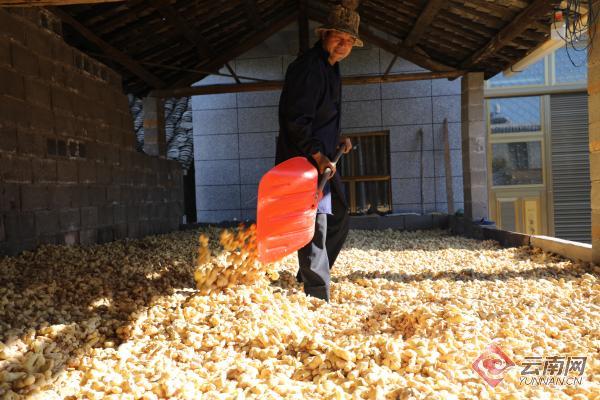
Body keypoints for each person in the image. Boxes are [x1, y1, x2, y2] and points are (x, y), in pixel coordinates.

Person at [275, 0, 363, 302]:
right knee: (316, 223)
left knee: (339, 213)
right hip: (303, 159)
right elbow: (296, 120)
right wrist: (317, 154)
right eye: (339, 37)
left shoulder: (331, 68)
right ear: (324, 35)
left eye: (349, 41)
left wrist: (338, 138)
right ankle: (316, 294)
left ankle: (309, 275)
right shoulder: (309, 68)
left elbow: (321, 115)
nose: (344, 44)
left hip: (322, 155)